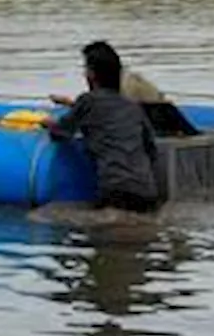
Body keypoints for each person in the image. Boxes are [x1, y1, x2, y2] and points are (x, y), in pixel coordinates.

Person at [42, 41, 163, 213]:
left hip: (115, 193)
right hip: (147, 192)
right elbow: (151, 149)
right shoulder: (132, 106)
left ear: (91, 74)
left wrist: (48, 123)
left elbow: (60, 133)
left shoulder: (88, 101)